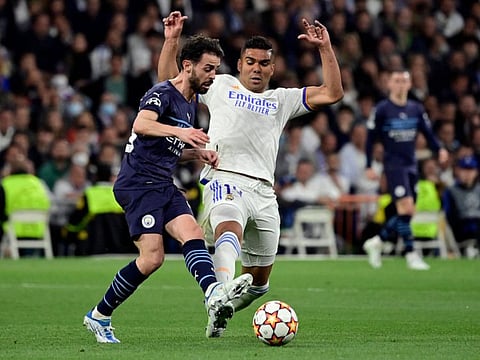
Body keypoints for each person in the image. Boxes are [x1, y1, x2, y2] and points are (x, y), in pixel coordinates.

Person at [158, 11, 343, 333]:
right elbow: (171, 85)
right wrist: (172, 41)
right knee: (229, 226)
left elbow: (332, 93)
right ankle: (219, 291)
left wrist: (325, 48)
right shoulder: (220, 85)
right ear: (240, 64)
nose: (257, 68)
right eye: (251, 61)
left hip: (264, 191)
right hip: (224, 175)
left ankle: (220, 311)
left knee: (259, 285)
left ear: (273, 68)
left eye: (264, 63)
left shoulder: (282, 99)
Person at [83, 33, 253, 344]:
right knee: (152, 259)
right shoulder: (161, 93)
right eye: (208, 69)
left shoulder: (192, 101)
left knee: (194, 234)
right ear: (188, 66)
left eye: (216, 69)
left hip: (162, 182)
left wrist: (196, 153)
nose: (213, 76)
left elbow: (170, 144)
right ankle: (99, 315)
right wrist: (182, 131)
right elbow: (141, 125)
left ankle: (213, 293)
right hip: (138, 184)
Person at [363, 68, 449, 270]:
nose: (401, 84)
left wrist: (440, 150)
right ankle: (411, 254)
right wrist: (368, 165)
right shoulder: (382, 109)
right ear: (389, 84)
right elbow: (370, 139)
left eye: (404, 81)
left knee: (408, 211)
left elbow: (427, 133)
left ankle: (377, 242)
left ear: (410, 85)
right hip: (393, 165)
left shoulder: (416, 109)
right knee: (406, 208)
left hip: (411, 164)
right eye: (397, 80)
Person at [442, 155, 480, 258]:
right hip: (462, 227)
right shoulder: (451, 191)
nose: (467, 174)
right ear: (458, 171)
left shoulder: (478, 189)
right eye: (464, 170)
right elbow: (450, 215)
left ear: (476, 172)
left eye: (470, 170)